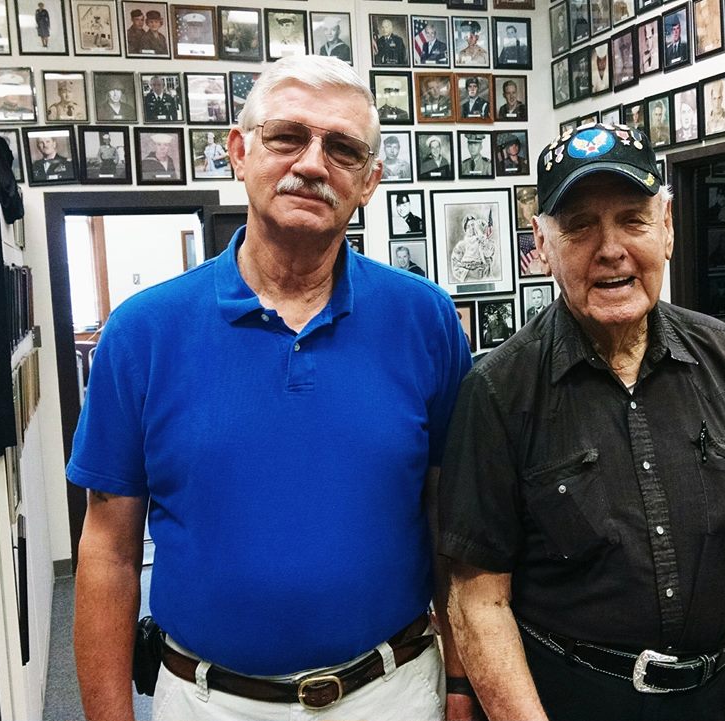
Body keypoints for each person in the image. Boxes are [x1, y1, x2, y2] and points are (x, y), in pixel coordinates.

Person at [69, 53, 472, 721]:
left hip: (393, 692)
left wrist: (460, 684)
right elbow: (108, 549)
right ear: (239, 150)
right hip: (206, 701)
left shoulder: (424, 319)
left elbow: (449, 522)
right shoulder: (142, 332)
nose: (313, 164)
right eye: (287, 136)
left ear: (369, 181)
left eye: (342, 149)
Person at [438, 122, 725, 721]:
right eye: (581, 225)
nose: (610, 248)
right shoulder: (498, 390)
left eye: (632, 220)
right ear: (542, 245)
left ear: (666, 229)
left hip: (717, 697)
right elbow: (478, 598)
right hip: (571, 700)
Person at [451, 214, 495, 281]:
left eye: (473, 225)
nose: (471, 228)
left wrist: (482, 236)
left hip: (483, 275)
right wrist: (469, 274)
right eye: (468, 226)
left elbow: (488, 254)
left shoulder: (482, 241)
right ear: (465, 230)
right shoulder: (461, 245)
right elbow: (455, 265)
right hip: (468, 276)